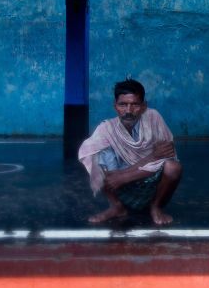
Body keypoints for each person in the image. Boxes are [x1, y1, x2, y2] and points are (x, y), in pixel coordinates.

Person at [78, 79, 182, 225]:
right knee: (95, 159)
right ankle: (117, 207)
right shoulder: (107, 128)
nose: (128, 111)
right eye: (123, 105)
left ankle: (155, 207)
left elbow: (167, 153)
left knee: (173, 167)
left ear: (144, 106)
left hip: (150, 179)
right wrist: (110, 173)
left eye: (135, 105)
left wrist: (125, 176)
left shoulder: (153, 117)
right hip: (119, 182)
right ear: (115, 106)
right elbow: (86, 153)